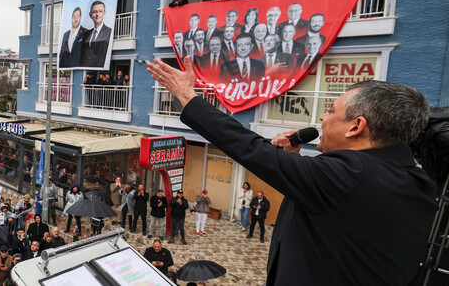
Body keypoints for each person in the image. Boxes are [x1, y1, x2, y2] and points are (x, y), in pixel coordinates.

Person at [146, 56, 437, 285]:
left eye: (330, 110)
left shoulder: (349, 175)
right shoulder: (418, 180)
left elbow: (250, 147)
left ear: (356, 126)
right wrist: (293, 163)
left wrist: (188, 96)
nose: (322, 117)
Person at [79, 1, 113, 68]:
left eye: (100, 11)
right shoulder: (86, 34)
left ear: (104, 13)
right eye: (94, 12)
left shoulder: (109, 32)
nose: (97, 14)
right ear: (90, 15)